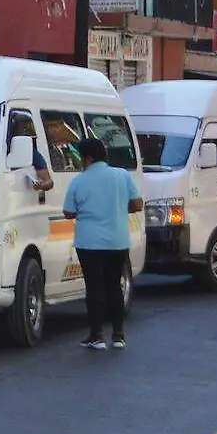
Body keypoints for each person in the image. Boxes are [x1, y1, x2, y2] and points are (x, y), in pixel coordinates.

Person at [62, 137, 142, 350]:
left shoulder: (79, 181)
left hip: (89, 242)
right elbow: (137, 204)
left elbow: (68, 212)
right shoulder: (122, 175)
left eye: (81, 157)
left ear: (88, 157)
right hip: (117, 240)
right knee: (114, 286)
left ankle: (96, 335)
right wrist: (117, 207)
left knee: (94, 287)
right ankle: (118, 335)